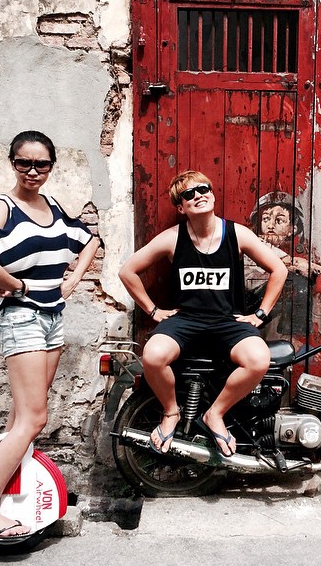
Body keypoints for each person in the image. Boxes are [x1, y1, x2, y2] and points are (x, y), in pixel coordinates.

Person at [0, 130, 100, 540]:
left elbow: (91, 240)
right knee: (34, 418)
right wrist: (16, 285)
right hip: (22, 317)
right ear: (12, 163)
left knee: (21, 417)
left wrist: (72, 280)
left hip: (52, 319)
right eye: (24, 162)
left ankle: (6, 499)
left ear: (51, 167)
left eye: (41, 164)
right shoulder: (2, 208)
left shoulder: (52, 206)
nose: (32, 171)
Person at [119, 170, 287, 457]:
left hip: (227, 321)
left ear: (212, 194)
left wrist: (260, 313)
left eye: (203, 189)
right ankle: (171, 412)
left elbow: (279, 269)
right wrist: (153, 310)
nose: (198, 195)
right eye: (189, 194)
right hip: (186, 321)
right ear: (180, 207)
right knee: (153, 356)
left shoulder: (236, 234)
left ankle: (215, 414)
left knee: (259, 359)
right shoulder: (173, 238)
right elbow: (127, 271)